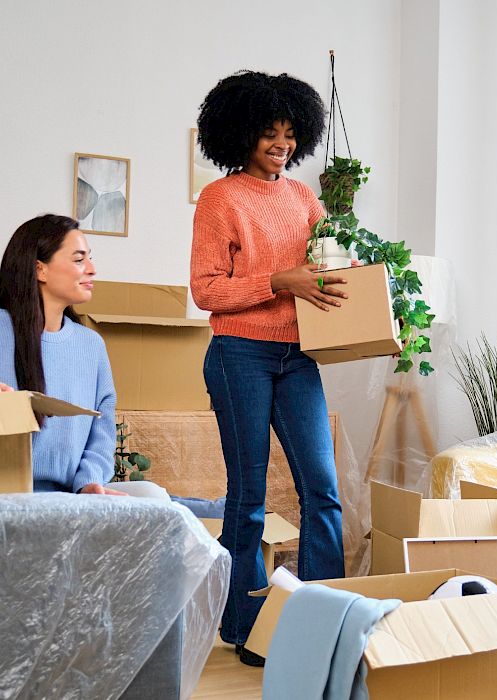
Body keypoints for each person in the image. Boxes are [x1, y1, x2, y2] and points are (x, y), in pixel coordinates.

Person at [190, 70, 346, 666]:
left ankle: (325, 617)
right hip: (240, 355)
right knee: (249, 497)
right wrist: (279, 281)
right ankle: (248, 627)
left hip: (298, 355)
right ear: (242, 135)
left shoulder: (304, 198)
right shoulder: (220, 198)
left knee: (323, 490)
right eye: (268, 133)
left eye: (288, 132)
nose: (280, 143)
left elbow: (326, 267)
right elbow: (207, 290)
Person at [0, 214, 167, 499]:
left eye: (89, 259)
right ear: (40, 269)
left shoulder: (91, 345)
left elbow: (101, 433)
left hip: (70, 494)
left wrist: (89, 483)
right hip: (9, 494)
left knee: (152, 496)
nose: (91, 269)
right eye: (79, 259)